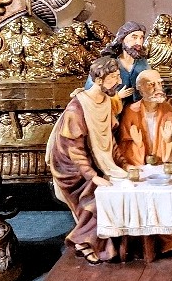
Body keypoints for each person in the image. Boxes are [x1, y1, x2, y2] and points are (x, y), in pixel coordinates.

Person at [46, 57, 129, 264]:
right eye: (113, 77)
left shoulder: (107, 101)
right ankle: (83, 242)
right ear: (99, 80)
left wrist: (122, 163)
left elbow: (107, 139)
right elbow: (73, 149)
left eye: (118, 76)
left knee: (118, 189)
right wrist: (92, 176)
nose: (118, 81)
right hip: (71, 167)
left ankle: (102, 243)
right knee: (95, 200)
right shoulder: (77, 108)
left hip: (96, 161)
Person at [117, 69, 172, 260]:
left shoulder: (168, 110)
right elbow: (124, 144)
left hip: (163, 165)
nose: (158, 88)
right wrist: (137, 145)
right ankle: (144, 245)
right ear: (140, 89)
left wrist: (168, 140)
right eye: (151, 84)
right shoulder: (131, 111)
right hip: (139, 166)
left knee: (171, 199)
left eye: (159, 83)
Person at [85, 21, 150, 106]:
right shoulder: (106, 64)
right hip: (111, 109)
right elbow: (91, 91)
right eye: (134, 37)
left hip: (138, 110)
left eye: (141, 38)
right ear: (122, 39)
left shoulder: (143, 64)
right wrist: (116, 97)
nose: (139, 42)